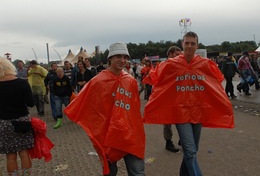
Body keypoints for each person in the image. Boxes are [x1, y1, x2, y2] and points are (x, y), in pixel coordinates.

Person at [144, 32, 234, 176]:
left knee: (192, 150)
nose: (190, 46)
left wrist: (222, 101)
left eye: (193, 43)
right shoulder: (171, 64)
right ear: (182, 44)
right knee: (191, 151)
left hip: (198, 112)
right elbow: (155, 78)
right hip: (181, 114)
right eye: (187, 43)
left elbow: (216, 82)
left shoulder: (205, 64)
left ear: (197, 45)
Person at [64, 42, 145, 175]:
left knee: (137, 172)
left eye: (125, 57)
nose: (122, 60)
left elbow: (134, 109)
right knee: (110, 172)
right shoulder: (98, 81)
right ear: (110, 59)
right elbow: (85, 102)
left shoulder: (130, 81)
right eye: (118, 56)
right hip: (107, 134)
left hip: (129, 133)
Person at [0, 56, 35, 175]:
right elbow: (31, 103)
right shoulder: (22, 83)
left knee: (10, 155)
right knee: (24, 153)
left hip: (4, 123)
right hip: (22, 121)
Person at [163, 46, 181, 153]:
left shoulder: (179, 65)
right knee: (168, 121)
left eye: (180, 55)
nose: (179, 57)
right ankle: (168, 142)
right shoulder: (164, 66)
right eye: (176, 55)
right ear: (170, 54)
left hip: (178, 96)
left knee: (181, 119)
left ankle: (182, 139)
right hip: (167, 97)